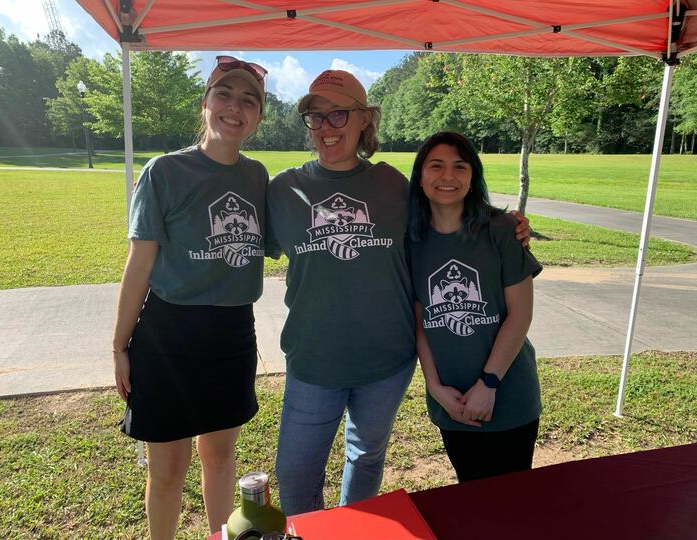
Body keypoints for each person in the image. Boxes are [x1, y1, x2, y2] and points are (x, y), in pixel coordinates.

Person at [267, 71, 531, 515]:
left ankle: (355, 527)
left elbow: (449, 204)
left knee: (367, 456)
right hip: (313, 360)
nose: (328, 126)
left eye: (339, 113)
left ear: (364, 120)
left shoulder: (393, 186)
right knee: (295, 473)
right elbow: (235, 247)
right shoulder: (281, 190)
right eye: (316, 116)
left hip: (387, 364)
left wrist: (509, 224)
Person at [111, 56, 269, 539]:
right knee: (167, 471)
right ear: (205, 105)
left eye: (250, 100)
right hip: (167, 336)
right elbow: (139, 265)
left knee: (220, 459)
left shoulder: (258, 177)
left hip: (232, 334)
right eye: (225, 94)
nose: (235, 107)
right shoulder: (165, 172)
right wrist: (119, 346)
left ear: (259, 117)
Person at [408, 131, 543, 483]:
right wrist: (435, 388)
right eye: (436, 166)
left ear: (473, 176)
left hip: (508, 395)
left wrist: (489, 384)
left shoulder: (502, 230)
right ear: (420, 176)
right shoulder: (412, 239)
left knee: (511, 504)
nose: (448, 176)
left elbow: (520, 314)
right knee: (470, 491)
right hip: (452, 400)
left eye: (460, 166)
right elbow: (419, 321)